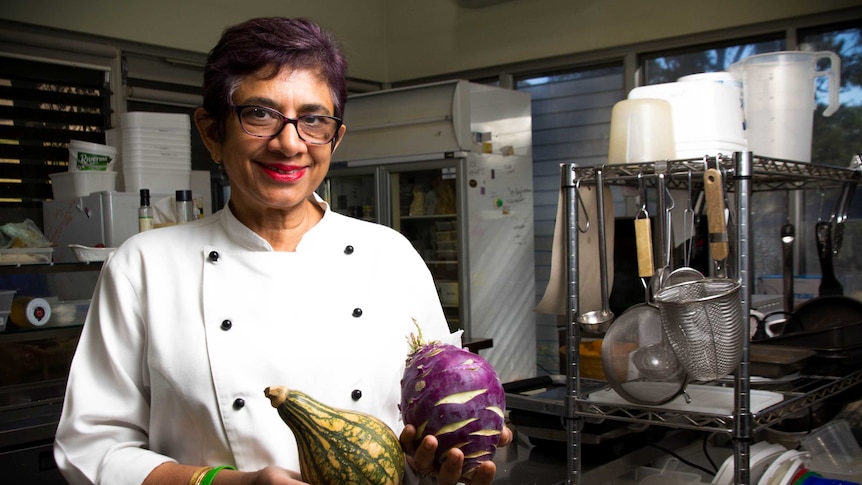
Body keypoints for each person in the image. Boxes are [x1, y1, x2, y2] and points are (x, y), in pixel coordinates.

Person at [53, 16, 511, 485]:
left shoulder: (390, 257)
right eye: (260, 114)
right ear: (212, 132)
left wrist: (448, 445)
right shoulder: (144, 266)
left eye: (313, 120)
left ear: (334, 138)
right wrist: (235, 484)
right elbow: (92, 448)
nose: (290, 143)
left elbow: (437, 399)